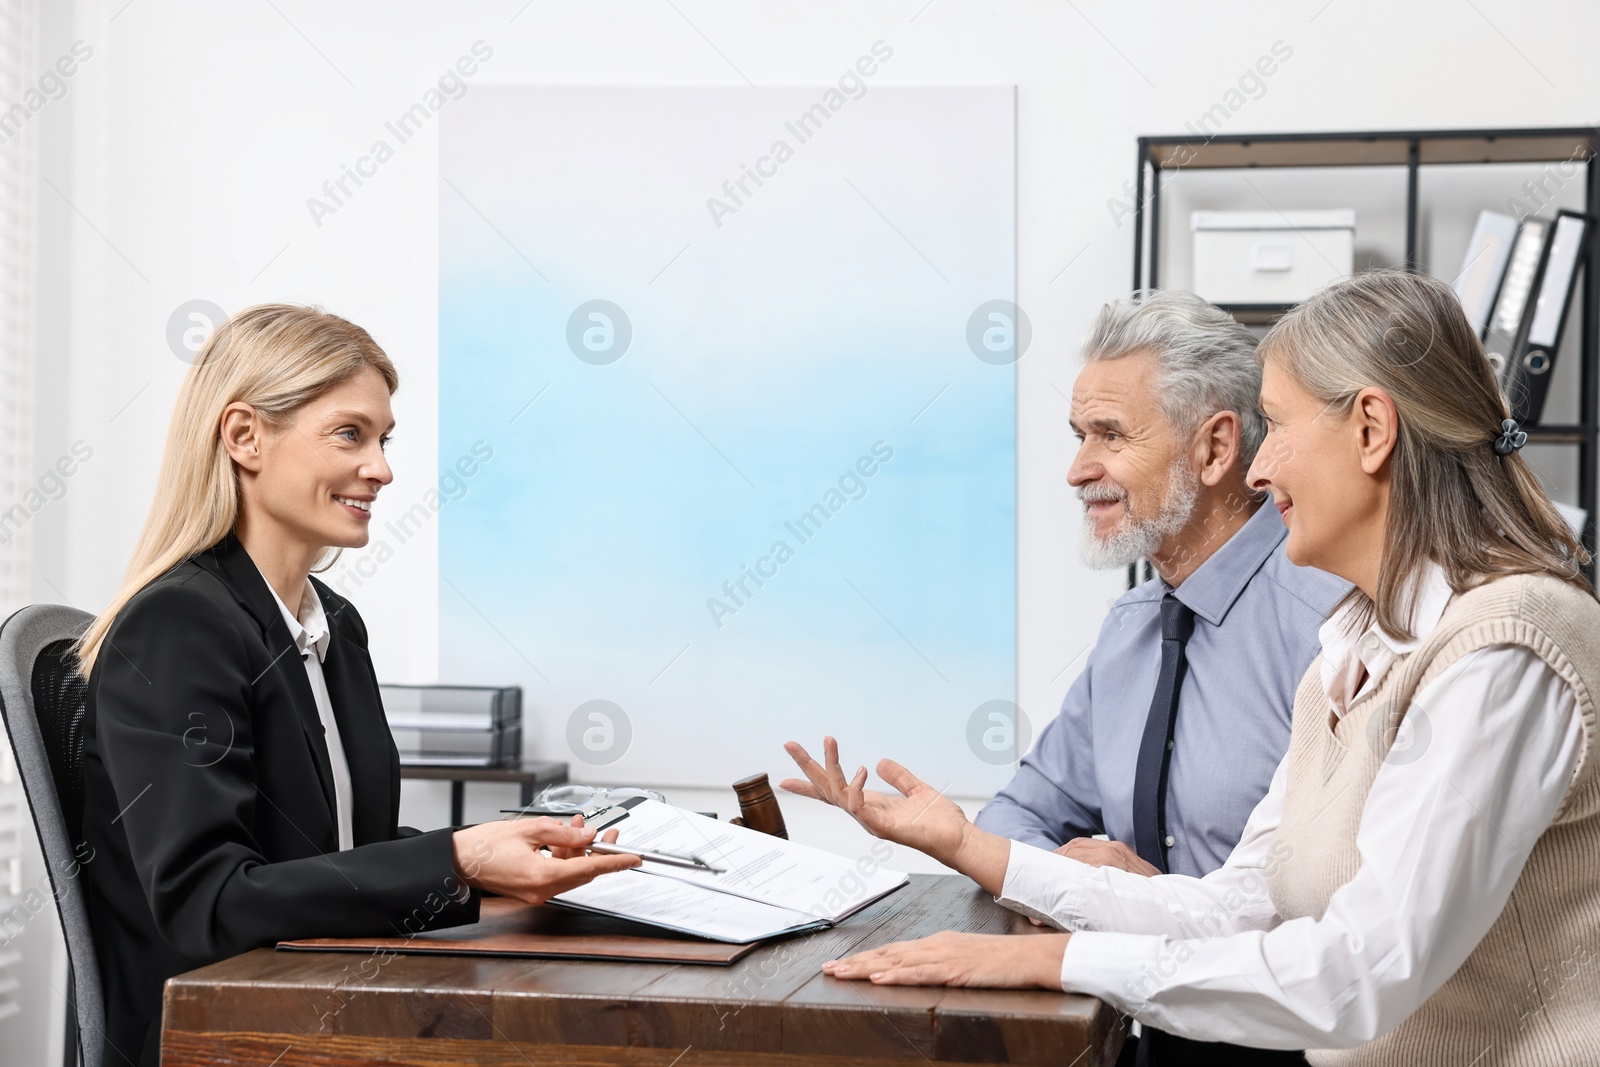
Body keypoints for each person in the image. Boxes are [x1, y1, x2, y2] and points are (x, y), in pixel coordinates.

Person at [783, 269, 1600, 1066]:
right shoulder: (1353, 646)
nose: (1259, 466)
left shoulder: (1506, 647)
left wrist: (1053, 960)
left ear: (1371, 430)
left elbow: (1362, 972)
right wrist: (972, 845)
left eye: (1275, 426)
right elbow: (1241, 905)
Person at [77, 305, 640, 1067]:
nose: (381, 467)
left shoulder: (332, 624)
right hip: (229, 1035)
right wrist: (459, 859)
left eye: (383, 439)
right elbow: (209, 902)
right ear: (244, 436)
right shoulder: (179, 625)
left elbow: (349, 854)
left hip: (319, 1001)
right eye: (351, 434)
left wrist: (506, 867)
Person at [976, 290, 1344, 1064]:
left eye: (1109, 434)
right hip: (1144, 1038)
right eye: (1079, 435)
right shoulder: (1132, 629)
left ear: (1214, 450)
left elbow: (1352, 912)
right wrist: (1071, 876)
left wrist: (1143, 902)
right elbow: (1015, 814)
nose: (1079, 470)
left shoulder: (1332, 619)